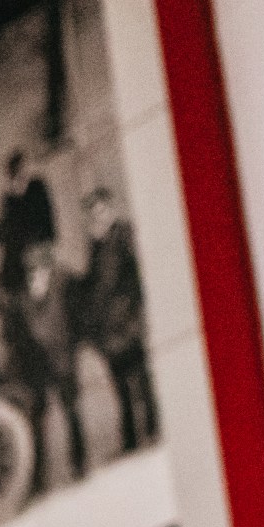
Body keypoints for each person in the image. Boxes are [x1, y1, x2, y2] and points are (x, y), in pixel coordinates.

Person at [78, 187, 155, 452]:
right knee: (120, 382)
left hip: (127, 320)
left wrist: (135, 314)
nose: (96, 217)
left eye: (100, 211)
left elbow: (137, 278)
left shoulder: (124, 235)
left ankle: (152, 428)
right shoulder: (96, 245)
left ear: (110, 209)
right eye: (92, 214)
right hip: (109, 327)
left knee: (141, 377)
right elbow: (93, 284)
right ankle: (132, 437)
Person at [5, 241, 86, 489]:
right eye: (31, 271)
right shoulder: (22, 300)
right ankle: (40, 478)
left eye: (39, 269)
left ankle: (80, 464)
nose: (35, 275)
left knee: (72, 411)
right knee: (38, 421)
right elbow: (18, 334)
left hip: (63, 359)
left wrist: (74, 347)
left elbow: (75, 316)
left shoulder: (62, 285)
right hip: (38, 368)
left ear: (47, 268)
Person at [0, 149, 57, 295]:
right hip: (21, 254)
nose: (20, 175)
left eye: (21, 170)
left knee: (45, 290)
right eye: (14, 173)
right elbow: (0, 232)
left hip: (38, 247)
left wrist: (46, 243)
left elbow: (47, 217)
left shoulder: (37, 187)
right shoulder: (9, 198)